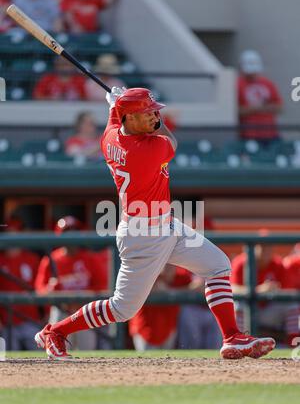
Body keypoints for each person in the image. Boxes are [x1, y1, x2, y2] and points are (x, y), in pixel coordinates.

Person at [35, 86, 276, 360]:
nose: (154, 117)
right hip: (143, 234)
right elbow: (171, 140)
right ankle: (55, 332)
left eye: (153, 111)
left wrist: (114, 106)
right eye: (147, 113)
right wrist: (116, 106)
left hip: (163, 224)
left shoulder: (110, 138)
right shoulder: (148, 150)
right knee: (122, 309)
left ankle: (232, 338)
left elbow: (115, 123)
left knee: (218, 265)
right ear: (130, 118)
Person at [35, 216, 113, 350]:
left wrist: (82, 298)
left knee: (87, 350)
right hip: (61, 308)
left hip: (83, 311)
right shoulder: (51, 260)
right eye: (67, 232)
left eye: (74, 231)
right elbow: (39, 289)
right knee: (56, 348)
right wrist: (50, 289)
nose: (71, 237)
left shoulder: (89, 258)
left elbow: (102, 285)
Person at [231, 239, 291, 342]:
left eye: (268, 247)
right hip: (247, 310)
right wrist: (259, 290)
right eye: (262, 247)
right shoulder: (241, 262)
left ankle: (293, 345)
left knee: (292, 305)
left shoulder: (277, 263)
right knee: (237, 305)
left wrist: (275, 290)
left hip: (268, 310)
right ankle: (240, 342)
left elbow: (288, 292)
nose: (265, 250)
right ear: (254, 248)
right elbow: (232, 289)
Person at [0, 218, 42, 350]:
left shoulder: (32, 259)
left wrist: (45, 314)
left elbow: (40, 288)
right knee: (9, 361)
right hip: (7, 322)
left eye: (15, 233)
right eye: (8, 233)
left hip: (31, 320)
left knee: (42, 357)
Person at [128, 264, 191, 350]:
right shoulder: (149, 276)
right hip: (144, 328)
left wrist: (169, 291)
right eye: (166, 266)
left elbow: (198, 286)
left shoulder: (179, 277)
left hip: (168, 329)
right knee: (146, 361)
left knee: (166, 361)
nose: (169, 269)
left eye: (171, 266)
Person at [238, 50, 283, 143]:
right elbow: (237, 110)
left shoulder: (268, 83)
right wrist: (260, 108)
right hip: (249, 134)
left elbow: (279, 107)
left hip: (270, 133)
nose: (252, 75)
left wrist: (255, 108)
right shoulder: (238, 85)